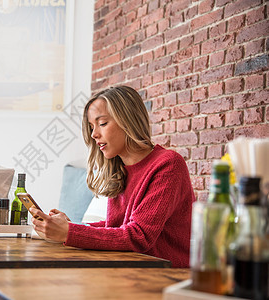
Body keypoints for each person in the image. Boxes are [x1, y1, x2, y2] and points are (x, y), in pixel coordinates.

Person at [30, 85, 196, 268]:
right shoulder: (119, 170)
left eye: (102, 123)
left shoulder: (168, 164)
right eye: (91, 127)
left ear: (128, 120)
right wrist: (71, 227)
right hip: (130, 271)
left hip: (166, 277)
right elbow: (117, 227)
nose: (94, 134)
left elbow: (138, 236)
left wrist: (70, 232)